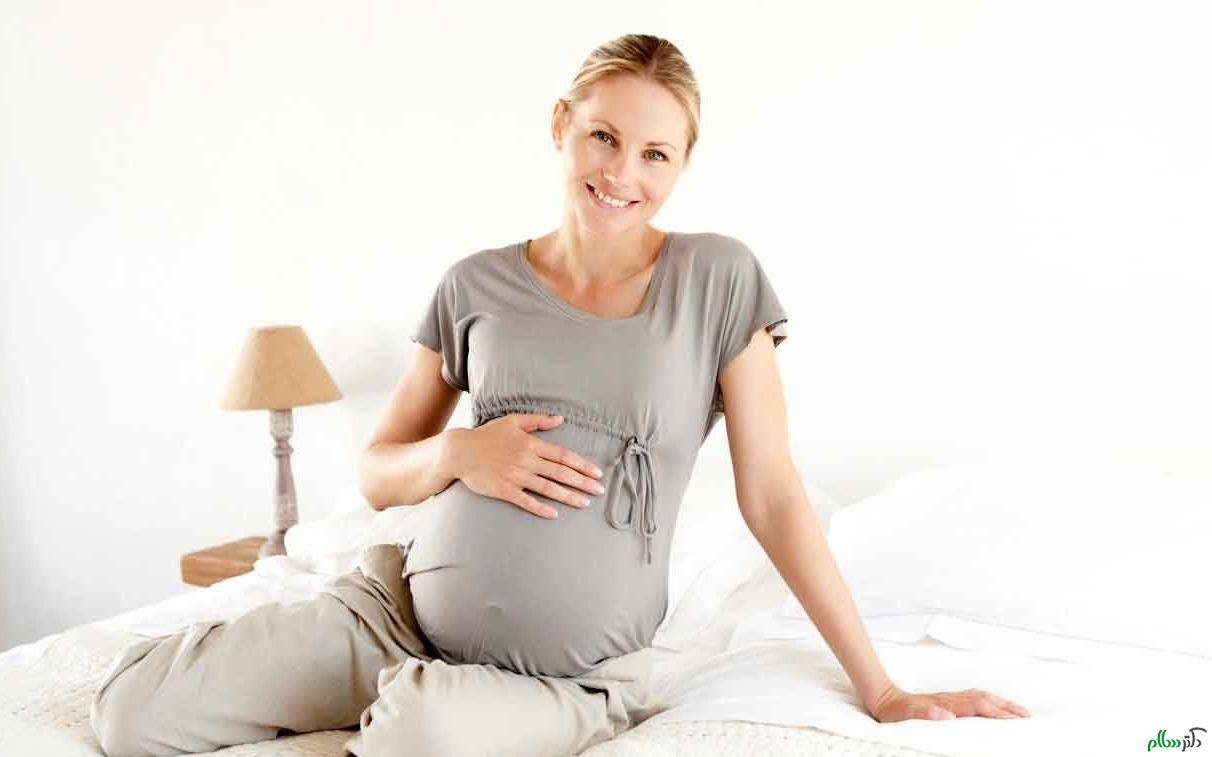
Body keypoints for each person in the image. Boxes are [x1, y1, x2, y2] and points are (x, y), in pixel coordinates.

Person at [90, 32, 1029, 757]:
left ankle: (415, 710)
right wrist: (458, 452)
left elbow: (774, 496)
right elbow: (376, 473)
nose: (622, 174)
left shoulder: (719, 280)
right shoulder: (475, 284)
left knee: (421, 734)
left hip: (570, 682)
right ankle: (350, 684)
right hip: (393, 620)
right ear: (560, 127)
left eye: (655, 154)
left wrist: (882, 688)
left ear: (683, 165)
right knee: (129, 713)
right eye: (603, 137)